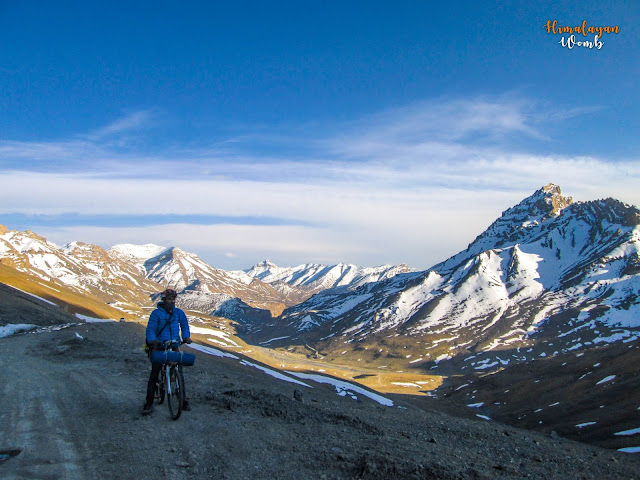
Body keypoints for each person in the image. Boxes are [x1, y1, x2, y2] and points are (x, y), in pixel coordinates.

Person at [142, 288, 193, 415]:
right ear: (164, 300)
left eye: (173, 299)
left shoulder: (179, 313)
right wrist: (152, 340)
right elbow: (151, 329)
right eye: (169, 299)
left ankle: (183, 400)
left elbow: (185, 326)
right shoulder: (156, 314)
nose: (171, 301)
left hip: (175, 343)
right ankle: (148, 403)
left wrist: (186, 336)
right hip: (160, 345)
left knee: (179, 373)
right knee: (154, 374)